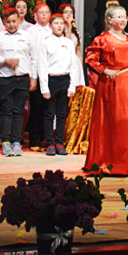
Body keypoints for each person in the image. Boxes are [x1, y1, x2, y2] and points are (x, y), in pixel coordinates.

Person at [84, 4, 128, 174]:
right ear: (109, 20)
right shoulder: (102, 39)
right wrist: (105, 70)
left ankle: (122, 164)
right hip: (108, 86)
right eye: (118, 17)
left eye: (124, 17)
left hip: (124, 86)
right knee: (108, 123)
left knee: (123, 125)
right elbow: (91, 60)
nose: (122, 20)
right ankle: (104, 163)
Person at [0, 7, 37, 157]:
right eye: (8, 22)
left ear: (19, 20)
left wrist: (34, 78)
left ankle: (17, 142)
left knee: (19, 111)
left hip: (23, 77)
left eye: (14, 21)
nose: (11, 25)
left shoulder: (26, 36)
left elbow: (34, 58)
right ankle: (6, 142)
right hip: (6, 78)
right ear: (3, 22)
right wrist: (5, 60)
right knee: (6, 111)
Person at [39, 14, 80, 156]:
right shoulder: (45, 42)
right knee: (49, 114)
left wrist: (72, 86)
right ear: (50, 25)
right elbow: (42, 66)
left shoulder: (68, 43)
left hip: (65, 79)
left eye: (61, 23)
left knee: (62, 115)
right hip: (51, 80)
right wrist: (44, 88)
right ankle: (50, 143)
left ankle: (59, 143)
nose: (59, 26)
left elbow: (73, 65)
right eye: (56, 23)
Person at [26, 2, 53, 148]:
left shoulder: (53, 30)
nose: (44, 15)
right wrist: (33, 77)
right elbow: (32, 55)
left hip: (51, 73)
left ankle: (45, 138)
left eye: (46, 12)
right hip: (36, 72)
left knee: (47, 108)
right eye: (41, 12)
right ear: (35, 15)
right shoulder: (31, 31)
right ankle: (34, 139)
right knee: (36, 107)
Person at [59, 3, 86, 87]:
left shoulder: (76, 31)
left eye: (71, 12)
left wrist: (81, 68)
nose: (68, 14)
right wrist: (69, 27)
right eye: (66, 12)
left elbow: (78, 51)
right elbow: (66, 44)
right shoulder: (58, 29)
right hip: (64, 62)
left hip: (75, 61)